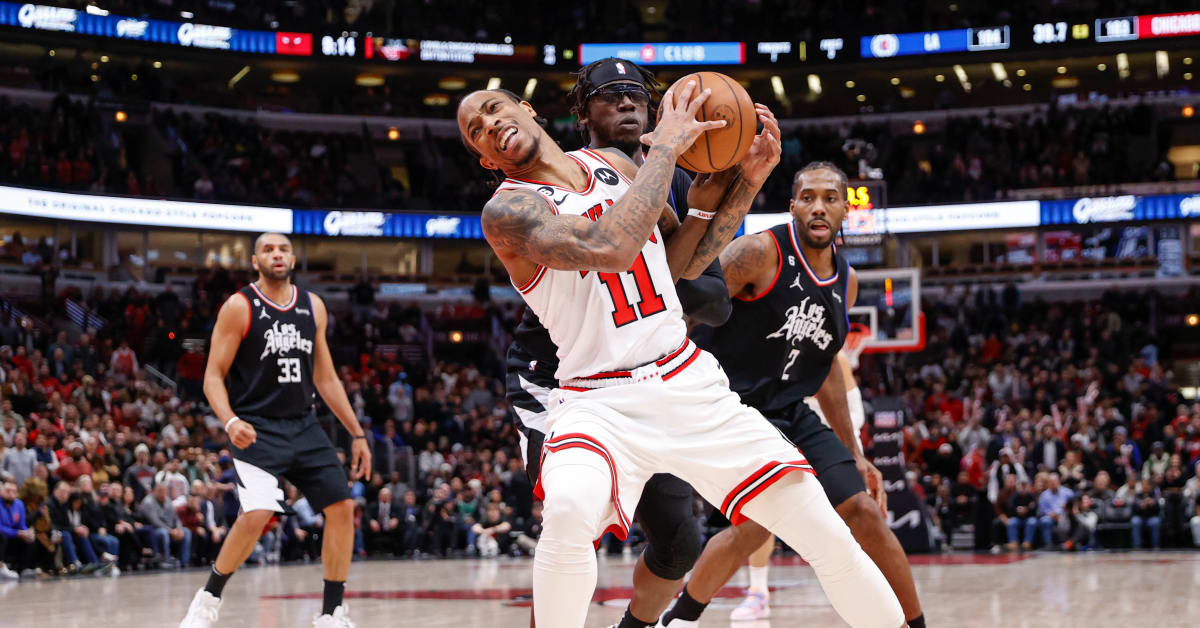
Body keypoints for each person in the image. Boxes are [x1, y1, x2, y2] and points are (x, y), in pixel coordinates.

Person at [459, 77, 903, 628]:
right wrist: (665, 146)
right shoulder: (509, 211)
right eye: (475, 130)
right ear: (483, 158)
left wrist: (749, 182)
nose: (489, 124)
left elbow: (680, 265)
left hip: (686, 379)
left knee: (825, 530)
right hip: (598, 399)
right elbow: (611, 248)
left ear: (524, 110)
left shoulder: (613, 166)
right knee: (570, 511)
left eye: (494, 109)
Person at [502, 57, 737, 628]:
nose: (628, 103)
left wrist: (741, 183)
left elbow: (710, 291)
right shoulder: (553, 179)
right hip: (562, 377)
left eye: (637, 93)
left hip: (647, 374)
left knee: (680, 543)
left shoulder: (676, 178)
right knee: (570, 523)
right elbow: (621, 256)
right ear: (583, 113)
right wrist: (671, 288)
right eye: (611, 95)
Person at [660, 163, 923, 628]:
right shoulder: (759, 252)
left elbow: (825, 371)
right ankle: (680, 619)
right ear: (793, 206)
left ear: (845, 209)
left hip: (791, 408)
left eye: (829, 197)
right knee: (760, 524)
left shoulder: (848, 281)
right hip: (735, 409)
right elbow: (683, 310)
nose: (818, 206)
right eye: (808, 197)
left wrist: (854, 452)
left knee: (862, 508)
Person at [179, 233, 371, 628]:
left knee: (342, 506)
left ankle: (332, 613)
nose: (277, 254)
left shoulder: (312, 306)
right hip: (256, 426)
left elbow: (327, 378)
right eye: (268, 249)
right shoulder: (239, 306)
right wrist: (230, 421)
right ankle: (208, 598)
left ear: (294, 257)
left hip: (304, 423)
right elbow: (212, 376)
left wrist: (357, 433)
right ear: (255, 260)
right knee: (259, 511)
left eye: (283, 249)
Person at [140, 481, 191, 568]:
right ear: (154, 491)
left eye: (164, 491)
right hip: (154, 530)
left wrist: (178, 529)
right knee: (163, 533)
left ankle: (184, 561)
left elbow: (176, 518)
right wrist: (171, 531)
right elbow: (155, 521)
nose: (163, 493)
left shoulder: (167, 500)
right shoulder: (148, 502)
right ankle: (165, 560)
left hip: (171, 529)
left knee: (186, 532)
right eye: (160, 491)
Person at [0, 480, 34, 578]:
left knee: (29, 538)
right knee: (1, 536)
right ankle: (1, 568)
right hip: (3, 536)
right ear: (1, 491)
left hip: (13, 536)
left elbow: (22, 525)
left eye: (14, 491)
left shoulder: (19, 504)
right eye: (7, 491)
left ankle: (24, 569)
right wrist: (17, 533)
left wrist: (26, 532)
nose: (11, 494)